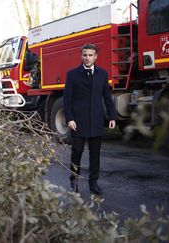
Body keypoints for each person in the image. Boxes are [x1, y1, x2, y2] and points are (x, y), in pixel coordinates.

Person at [63, 43, 118, 195]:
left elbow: (107, 97)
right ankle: (73, 182)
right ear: (82, 56)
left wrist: (112, 116)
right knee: (77, 153)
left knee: (95, 154)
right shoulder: (72, 75)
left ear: (95, 57)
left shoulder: (102, 74)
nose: (87, 58)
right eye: (85, 55)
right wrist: (70, 118)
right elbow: (67, 100)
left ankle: (93, 183)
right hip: (78, 122)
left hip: (96, 121)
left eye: (90, 55)